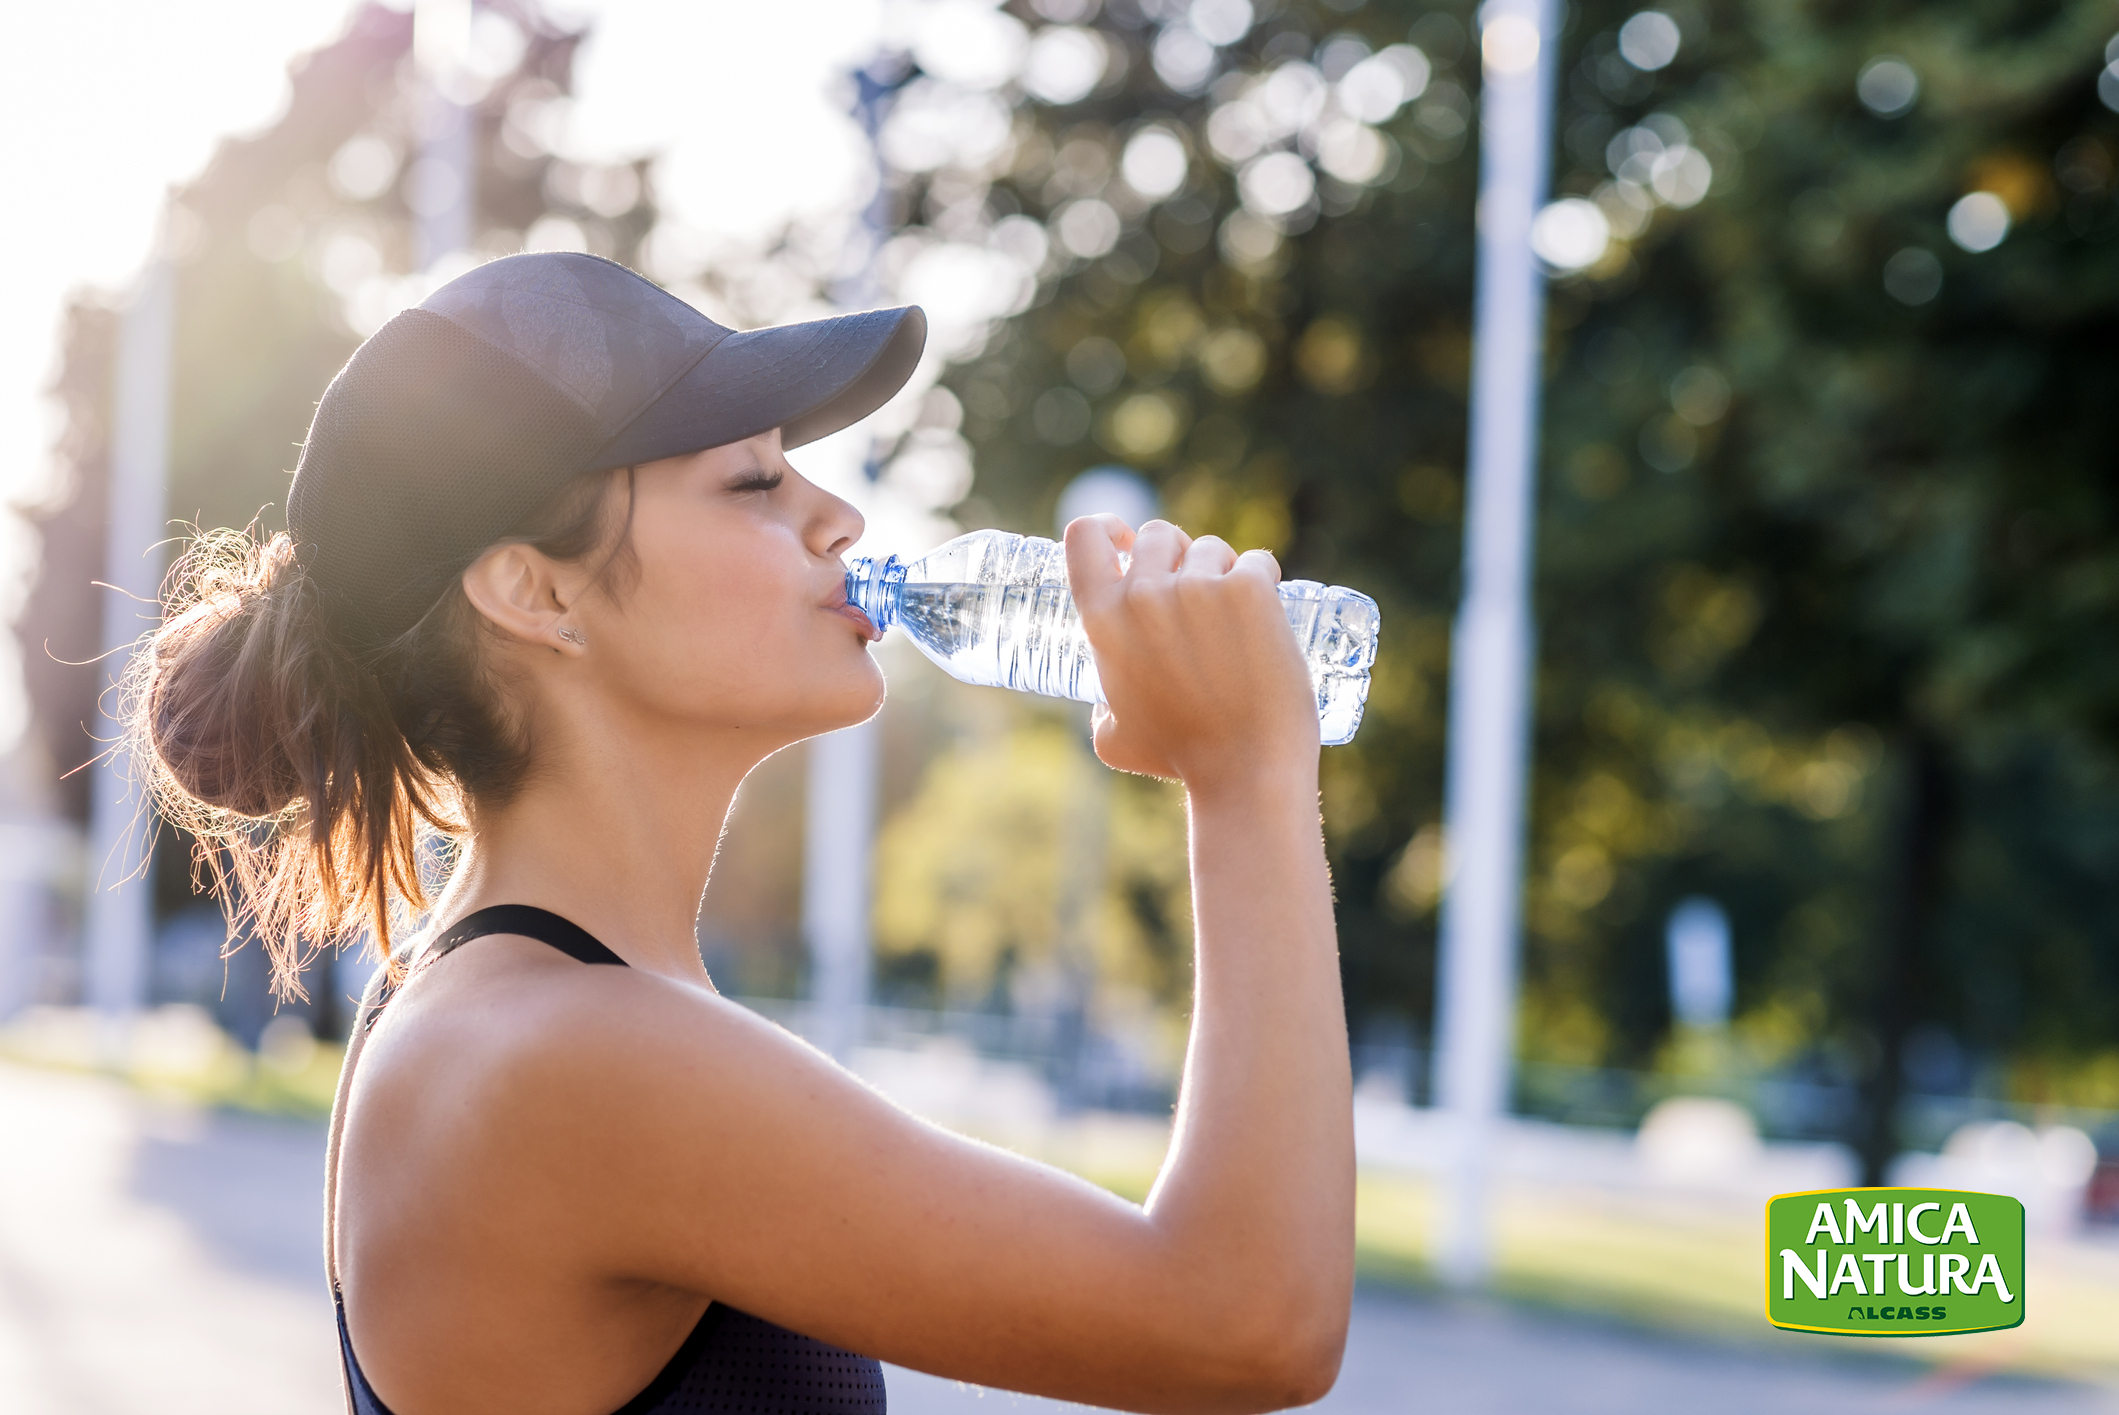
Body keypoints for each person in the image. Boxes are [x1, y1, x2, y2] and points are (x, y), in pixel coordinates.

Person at [135, 252, 1352, 1415]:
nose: (839, 517)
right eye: (756, 481)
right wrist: (1244, 776)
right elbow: (1244, 1322)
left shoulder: (515, 1004)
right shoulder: (567, 1054)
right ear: (535, 591)